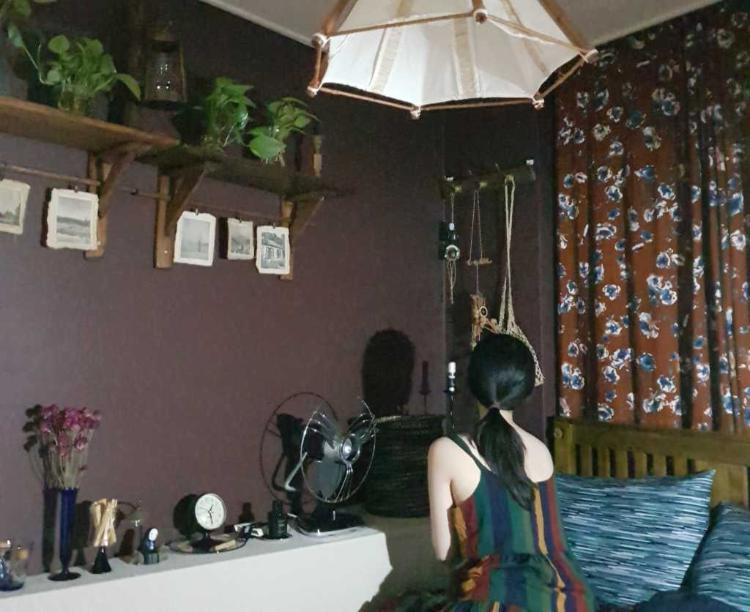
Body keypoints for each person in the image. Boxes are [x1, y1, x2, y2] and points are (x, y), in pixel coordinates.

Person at [428, 334, 595, 611]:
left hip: (498, 598)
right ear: (525, 393)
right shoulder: (542, 451)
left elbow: (443, 552)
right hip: (569, 598)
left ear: (473, 385)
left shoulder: (446, 450)